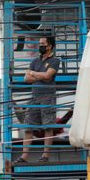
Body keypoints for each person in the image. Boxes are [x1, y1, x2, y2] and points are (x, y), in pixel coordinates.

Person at [15, 36, 61, 164]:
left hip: (48, 97)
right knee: (29, 127)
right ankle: (24, 157)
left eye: (42, 44)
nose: (40, 46)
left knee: (48, 126)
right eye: (39, 43)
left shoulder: (55, 61)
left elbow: (48, 76)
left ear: (50, 46)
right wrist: (41, 76)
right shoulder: (35, 61)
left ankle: (45, 155)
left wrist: (33, 73)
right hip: (34, 97)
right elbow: (26, 79)